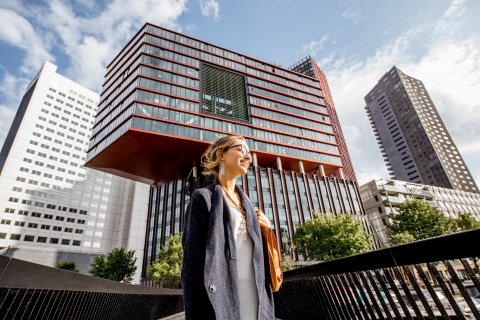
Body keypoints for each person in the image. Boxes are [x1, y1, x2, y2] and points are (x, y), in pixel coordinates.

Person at [181, 135, 275, 320]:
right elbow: (191, 264)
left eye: (249, 153)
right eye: (241, 150)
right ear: (221, 154)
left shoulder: (248, 204)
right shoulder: (203, 198)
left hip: (256, 294)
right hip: (222, 296)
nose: (248, 157)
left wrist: (267, 228)